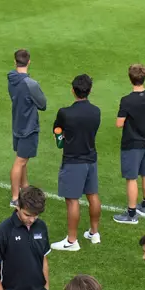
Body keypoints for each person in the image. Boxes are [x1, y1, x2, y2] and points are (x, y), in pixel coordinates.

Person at [52, 74, 103, 251]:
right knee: (93, 195)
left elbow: (57, 131)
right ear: (90, 91)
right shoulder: (96, 111)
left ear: (73, 91)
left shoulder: (65, 113)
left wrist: (60, 139)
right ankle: (94, 233)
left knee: (72, 201)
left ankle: (72, 241)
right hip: (91, 159)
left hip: (73, 161)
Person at [112, 64, 145, 225]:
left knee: (131, 178)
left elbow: (119, 123)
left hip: (132, 143)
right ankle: (144, 206)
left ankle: (131, 214)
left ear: (130, 78)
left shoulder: (127, 100)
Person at [8, 50, 48, 208]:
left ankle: (24, 188)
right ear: (29, 61)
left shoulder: (11, 78)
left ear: (15, 61)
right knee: (20, 161)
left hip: (17, 122)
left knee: (22, 158)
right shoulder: (31, 84)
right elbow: (43, 104)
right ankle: (15, 198)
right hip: (28, 126)